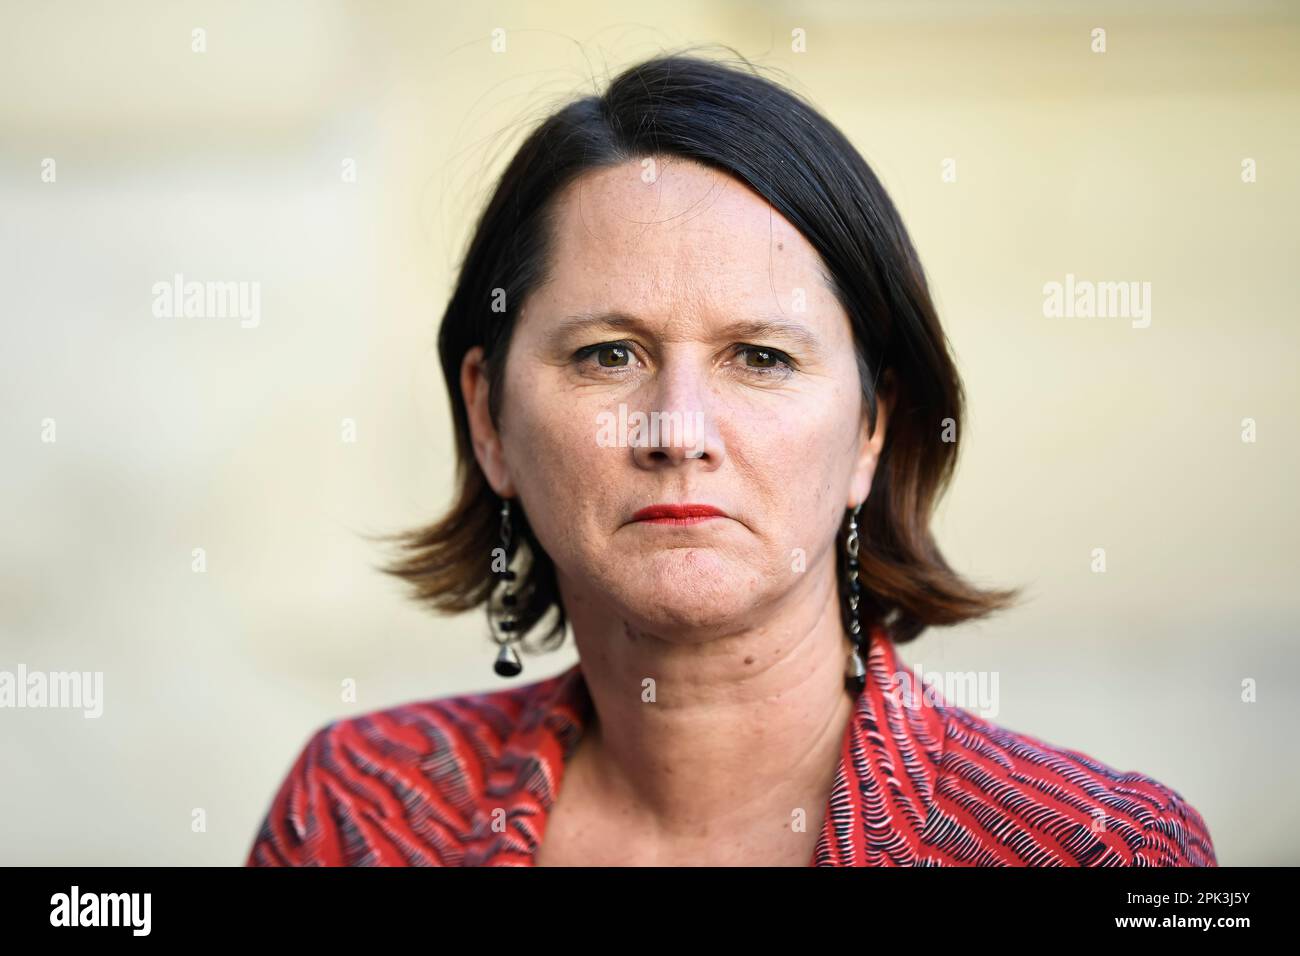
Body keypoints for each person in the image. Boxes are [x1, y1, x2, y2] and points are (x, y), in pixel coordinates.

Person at [245, 53, 1216, 867]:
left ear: (870, 429)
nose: (676, 428)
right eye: (606, 354)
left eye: (760, 357)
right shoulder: (358, 815)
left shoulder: (1098, 851)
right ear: (489, 419)